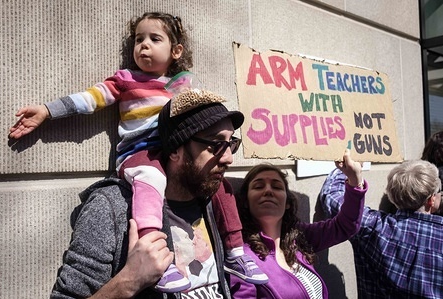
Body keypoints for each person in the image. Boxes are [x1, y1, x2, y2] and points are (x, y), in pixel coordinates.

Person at [9, 12, 266, 292]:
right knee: (151, 180)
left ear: (176, 50)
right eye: (138, 39)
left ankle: (236, 253)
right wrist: (48, 111)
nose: (144, 45)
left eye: (154, 39)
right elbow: (89, 99)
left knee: (222, 186)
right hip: (139, 154)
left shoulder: (181, 87)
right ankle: (154, 249)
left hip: (164, 154)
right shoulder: (126, 80)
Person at [51, 88, 250, 298]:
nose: (229, 158)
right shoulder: (113, 207)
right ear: (175, 150)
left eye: (231, 144)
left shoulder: (212, 202)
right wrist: (129, 282)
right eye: (216, 145)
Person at [230, 149, 367, 299]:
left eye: (276, 187)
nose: (268, 191)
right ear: (245, 202)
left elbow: (345, 226)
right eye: (258, 186)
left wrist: (355, 181)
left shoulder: (300, 237)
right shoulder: (242, 259)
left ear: (287, 203)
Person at [319, 159, 443, 298]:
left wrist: (349, 171)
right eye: (438, 192)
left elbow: (331, 196)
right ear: (431, 200)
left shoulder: (373, 227)